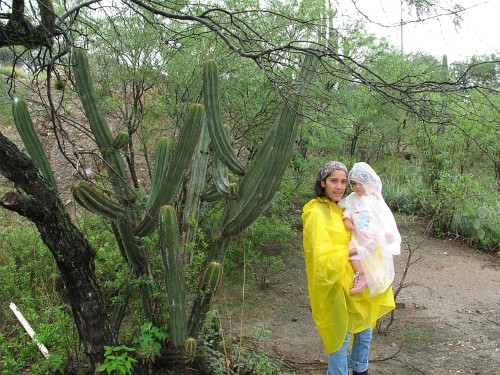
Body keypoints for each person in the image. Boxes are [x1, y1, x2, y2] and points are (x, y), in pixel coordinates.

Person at [302, 161, 396, 375]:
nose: (339, 186)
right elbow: (320, 255)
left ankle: (360, 368)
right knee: (340, 333)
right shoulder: (316, 212)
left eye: (344, 182)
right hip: (335, 282)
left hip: (358, 278)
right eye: (333, 181)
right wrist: (357, 252)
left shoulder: (346, 206)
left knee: (364, 328)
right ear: (322, 182)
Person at [339, 162, 401, 295]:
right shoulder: (353, 198)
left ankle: (366, 276)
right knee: (353, 252)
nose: (356, 187)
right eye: (353, 184)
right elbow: (347, 209)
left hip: (372, 235)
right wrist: (347, 218)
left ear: (368, 182)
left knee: (366, 254)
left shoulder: (374, 198)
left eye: (360, 183)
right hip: (358, 235)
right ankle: (363, 276)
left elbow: (384, 216)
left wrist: (388, 232)